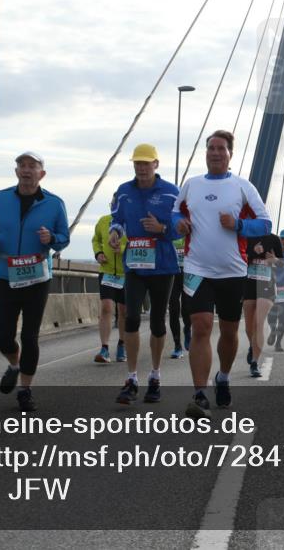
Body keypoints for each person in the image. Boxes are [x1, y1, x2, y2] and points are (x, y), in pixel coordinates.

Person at [173, 130, 272, 419]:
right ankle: (200, 394)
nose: (215, 153)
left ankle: (224, 377)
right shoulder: (191, 185)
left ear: (230, 154)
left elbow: (265, 224)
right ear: (206, 152)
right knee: (201, 326)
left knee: (229, 331)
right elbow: (174, 214)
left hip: (233, 270)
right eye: (211, 148)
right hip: (197, 268)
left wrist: (239, 225)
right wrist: (179, 223)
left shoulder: (243, 187)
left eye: (221, 149)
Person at [0, 152, 70, 412]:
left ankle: (25, 390)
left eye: (32, 166)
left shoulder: (54, 203)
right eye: (22, 165)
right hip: (6, 274)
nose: (26, 170)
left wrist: (51, 238)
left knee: (29, 335)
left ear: (42, 173)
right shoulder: (0, 198)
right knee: (3, 336)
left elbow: (64, 238)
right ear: (16, 171)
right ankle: (14, 364)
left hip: (37, 276)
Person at [108, 144, 180, 405]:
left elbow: (182, 227)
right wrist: (114, 233)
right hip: (135, 266)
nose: (141, 168)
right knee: (132, 319)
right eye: (137, 163)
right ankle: (131, 378)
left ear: (156, 164)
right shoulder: (124, 191)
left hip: (163, 265)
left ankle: (155, 376)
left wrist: (162, 228)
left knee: (159, 321)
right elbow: (116, 219)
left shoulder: (173, 193)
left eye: (146, 163)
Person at [243, 232, 283, 376]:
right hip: (249, 283)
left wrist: (274, 260)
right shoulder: (245, 235)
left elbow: (282, 263)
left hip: (267, 283)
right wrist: (250, 255)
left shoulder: (273, 239)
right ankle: (252, 345)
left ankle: (254, 362)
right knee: (249, 327)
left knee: (258, 323)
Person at [92, 214, 127, 363]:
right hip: (106, 272)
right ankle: (104, 348)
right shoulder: (103, 221)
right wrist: (98, 253)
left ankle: (122, 345)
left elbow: (137, 243)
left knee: (123, 311)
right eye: (112, 203)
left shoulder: (130, 220)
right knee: (106, 308)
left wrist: (123, 249)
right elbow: (96, 240)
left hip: (125, 273)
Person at [167, 237, 190, 358]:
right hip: (172, 272)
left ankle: (187, 329)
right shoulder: (168, 225)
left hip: (188, 272)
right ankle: (177, 345)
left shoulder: (189, 223)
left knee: (187, 307)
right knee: (173, 308)